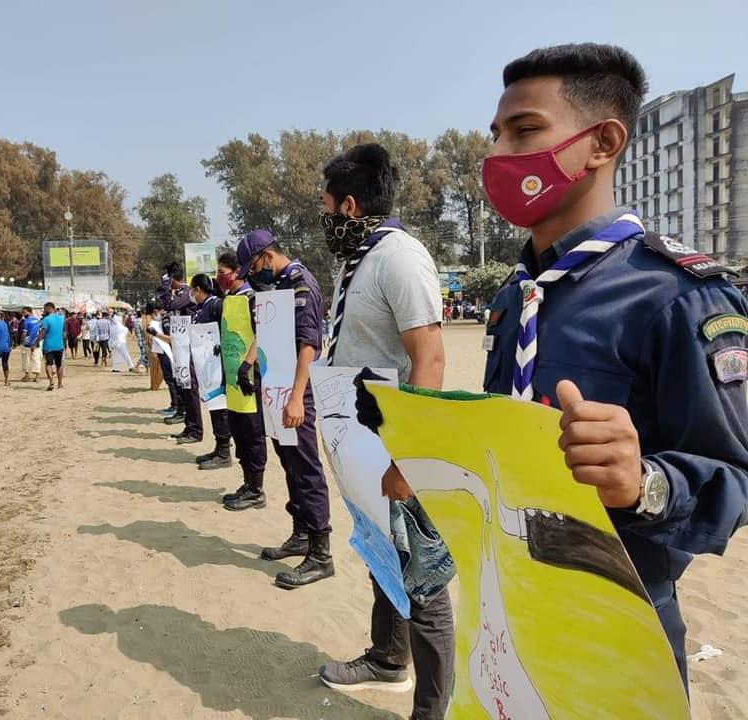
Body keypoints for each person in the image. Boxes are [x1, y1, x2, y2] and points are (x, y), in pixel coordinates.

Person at [479, 43, 748, 691]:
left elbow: (738, 475)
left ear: (601, 143)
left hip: (617, 618)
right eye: (495, 135)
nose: (497, 155)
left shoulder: (678, 294)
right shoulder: (517, 295)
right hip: (510, 600)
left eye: (526, 131)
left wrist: (645, 481)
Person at [314, 143, 454, 719]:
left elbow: (431, 359)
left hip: (395, 443)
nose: (322, 220)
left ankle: (431, 709)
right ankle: (388, 658)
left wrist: (412, 458)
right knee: (380, 551)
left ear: (349, 207)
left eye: (325, 208)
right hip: (360, 436)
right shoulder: (360, 259)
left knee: (422, 576)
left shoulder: (401, 257)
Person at [235, 230, 334, 588]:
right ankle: (301, 533)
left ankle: (321, 554)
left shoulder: (300, 283)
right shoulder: (275, 287)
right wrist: (248, 365)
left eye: (252, 267)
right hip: (276, 390)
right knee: (289, 465)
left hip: (296, 391)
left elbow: (309, 343)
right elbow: (268, 334)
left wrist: (296, 398)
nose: (251, 275)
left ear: (266, 256)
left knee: (306, 468)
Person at [215, 251, 269, 479]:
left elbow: (264, 334)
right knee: (237, 429)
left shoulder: (252, 299)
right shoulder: (229, 299)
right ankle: (247, 482)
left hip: (249, 376)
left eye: (221, 273)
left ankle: (256, 487)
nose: (218, 278)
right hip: (232, 377)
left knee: (252, 431)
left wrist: (247, 365)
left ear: (237, 272)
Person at [189, 273, 233, 467]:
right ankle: (218, 447)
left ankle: (224, 452)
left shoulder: (216, 304)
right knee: (213, 405)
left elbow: (229, 327)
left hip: (218, 366)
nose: (191, 294)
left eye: (192, 290)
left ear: (198, 289)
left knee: (219, 405)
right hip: (207, 365)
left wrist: (221, 345)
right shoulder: (203, 307)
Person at [157, 263, 202, 441]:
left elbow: (169, 305)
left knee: (190, 389)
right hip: (180, 346)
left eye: (169, 280)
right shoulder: (178, 293)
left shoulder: (186, 292)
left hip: (189, 346)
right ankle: (189, 426)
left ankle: (196, 430)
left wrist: (165, 287)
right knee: (183, 386)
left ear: (174, 279)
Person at [146, 302, 179, 415]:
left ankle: (176, 406)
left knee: (171, 380)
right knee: (169, 379)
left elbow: (171, 339)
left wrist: (155, 333)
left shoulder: (166, 320)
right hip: (163, 353)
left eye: (153, 314)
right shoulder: (160, 321)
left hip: (169, 353)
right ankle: (174, 405)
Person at [36, 302, 66, 390]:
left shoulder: (46, 319)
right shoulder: (61, 318)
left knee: (48, 364)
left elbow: (42, 333)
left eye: (45, 309)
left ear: (49, 308)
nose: (44, 311)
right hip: (59, 345)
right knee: (59, 365)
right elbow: (64, 333)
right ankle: (60, 384)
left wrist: (36, 342)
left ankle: (51, 381)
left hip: (48, 345)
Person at [19, 307, 42, 382]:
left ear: (29, 312)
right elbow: (40, 331)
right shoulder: (38, 320)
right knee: (36, 359)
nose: (23, 314)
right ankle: (37, 376)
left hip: (27, 343)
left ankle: (27, 375)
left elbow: (24, 333)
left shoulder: (26, 321)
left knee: (26, 359)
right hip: (36, 343)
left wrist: (22, 341)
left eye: (24, 312)